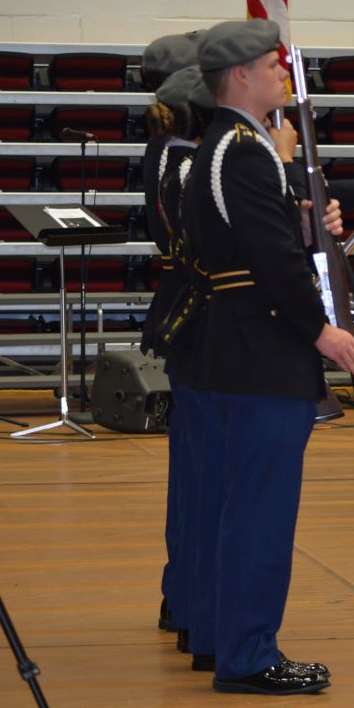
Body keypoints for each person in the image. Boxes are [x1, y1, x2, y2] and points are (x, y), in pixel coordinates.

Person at [182, 18, 354, 694]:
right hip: (263, 351)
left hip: (232, 345)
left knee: (228, 505)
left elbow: (255, 240)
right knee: (259, 510)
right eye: (272, 65)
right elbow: (272, 259)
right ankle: (248, 654)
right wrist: (322, 330)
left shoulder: (222, 147)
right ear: (240, 75)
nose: (283, 74)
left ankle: (219, 638)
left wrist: (306, 220)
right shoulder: (245, 151)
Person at [140, 65, 216, 656]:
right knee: (202, 476)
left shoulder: (167, 156)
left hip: (185, 313)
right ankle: (193, 602)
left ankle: (184, 596)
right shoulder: (190, 165)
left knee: (193, 474)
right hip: (204, 322)